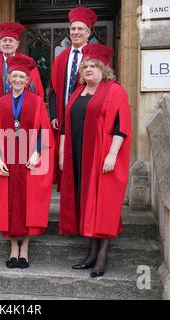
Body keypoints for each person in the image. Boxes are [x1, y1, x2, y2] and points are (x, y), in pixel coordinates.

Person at [58, 44, 131, 278]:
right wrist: (63, 153)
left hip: (103, 156)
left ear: (104, 69)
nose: (88, 69)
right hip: (80, 156)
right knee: (87, 202)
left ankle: (102, 257)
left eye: (93, 66)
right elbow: (67, 124)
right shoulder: (79, 92)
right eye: (85, 66)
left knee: (104, 205)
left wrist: (112, 153)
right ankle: (91, 253)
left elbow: (122, 125)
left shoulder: (114, 90)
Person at [0, 55, 54, 269]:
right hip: (7, 158)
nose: (17, 79)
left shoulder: (36, 102)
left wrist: (37, 153)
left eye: (22, 77)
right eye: (14, 76)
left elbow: (43, 129)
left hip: (28, 160)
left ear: (27, 81)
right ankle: (12, 247)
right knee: (9, 202)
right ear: (9, 79)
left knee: (28, 202)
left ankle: (24, 247)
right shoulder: (1, 104)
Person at [49, 7, 98, 184]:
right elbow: (53, 88)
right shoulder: (61, 57)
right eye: (73, 29)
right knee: (65, 164)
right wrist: (54, 114)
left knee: (84, 163)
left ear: (88, 32)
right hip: (63, 119)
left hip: (86, 118)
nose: (75, 32)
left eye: (80, 29)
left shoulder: (94, 57)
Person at [0, 22, 44, 109]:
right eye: (4, 40)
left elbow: (34, 88)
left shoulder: (28, 62)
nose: (7, 43)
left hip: (22, 111)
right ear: (0, 42)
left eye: (11, 40)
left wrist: (24, 105)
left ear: (17, 44)